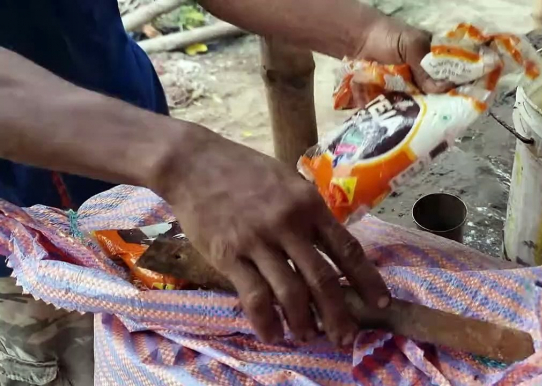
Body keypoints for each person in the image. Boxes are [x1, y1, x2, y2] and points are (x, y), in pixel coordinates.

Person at [0, 0, 447, 384]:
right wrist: (180, 160)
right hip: (20, 242)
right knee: (73, 365)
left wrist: (364, 32)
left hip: (135, 141)